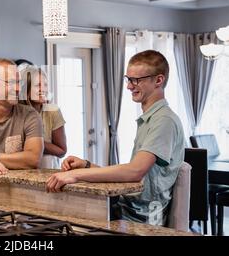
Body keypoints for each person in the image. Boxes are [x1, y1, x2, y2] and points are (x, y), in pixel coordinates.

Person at [46, 50, 185, 226]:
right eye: (128, 79)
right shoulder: (150, 119)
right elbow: (129, 173)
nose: (129, 86)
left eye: (137, 80)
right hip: (128, 209)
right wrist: (86, 165)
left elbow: (135, 172)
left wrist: (76, 175)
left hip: (144, 218)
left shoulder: (164, 121)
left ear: (158, 80)